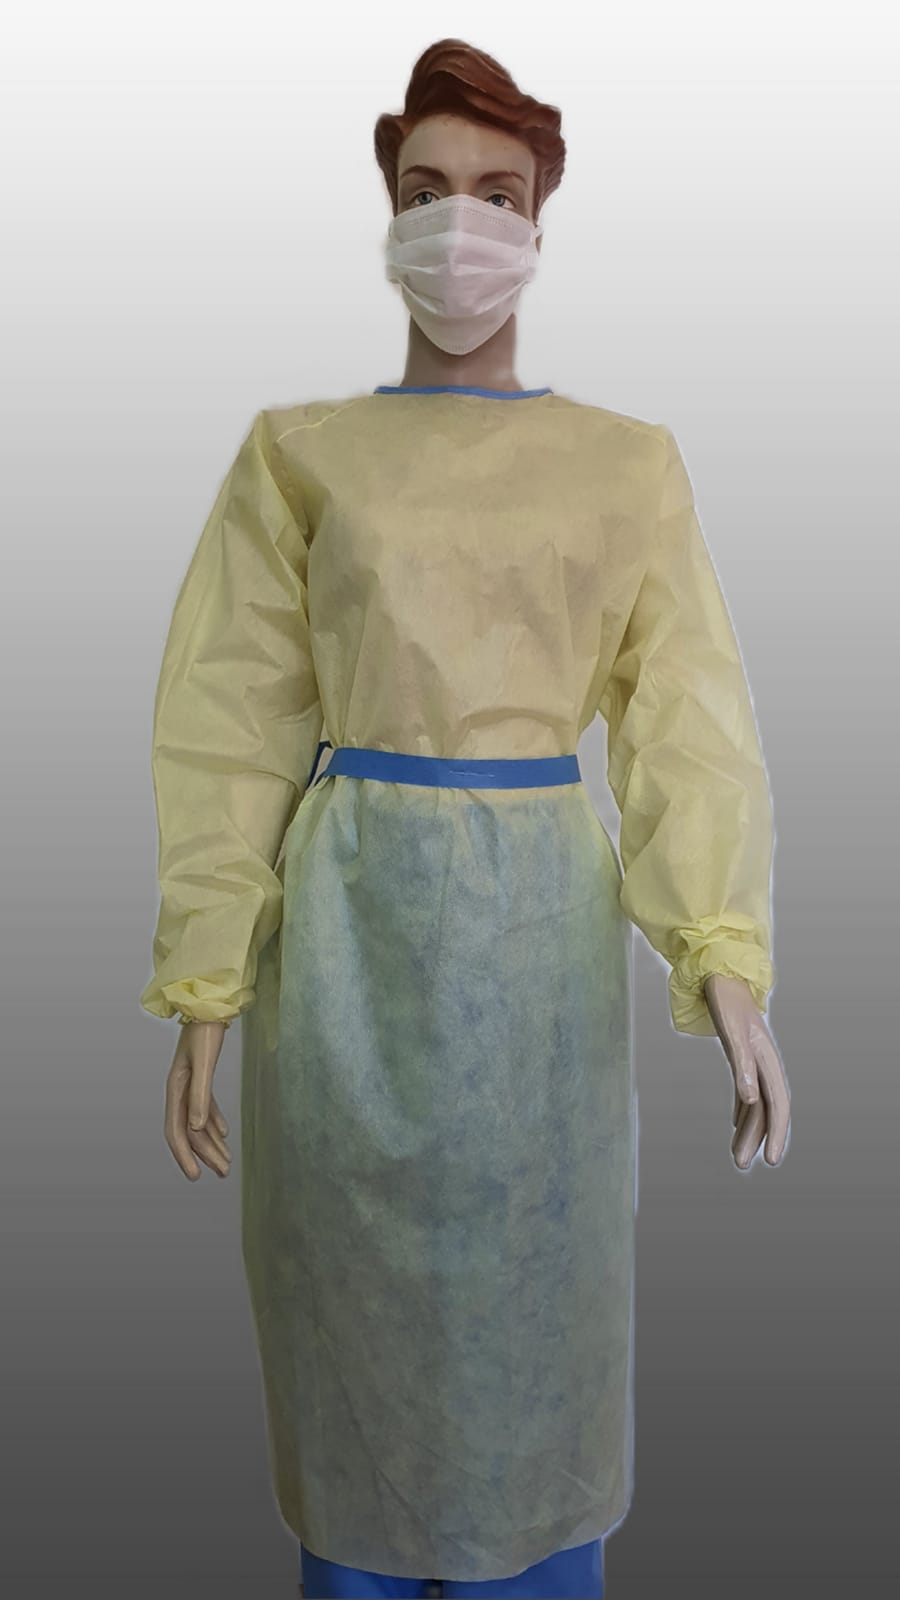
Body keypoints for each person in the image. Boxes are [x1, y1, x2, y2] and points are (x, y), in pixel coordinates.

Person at [140, 36, 791, 1600]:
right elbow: (231, 723)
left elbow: (687, 723)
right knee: (350, 1326)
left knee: (537, 1325)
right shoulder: (302, 456)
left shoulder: (624, 467)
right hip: (346, 951)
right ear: (388, 213)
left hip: (538, 957)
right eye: (427, 190)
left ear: (542, 219)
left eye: (498, 193)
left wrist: (725, 962)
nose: (461, 224)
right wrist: (208, 981)